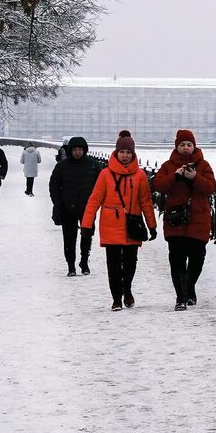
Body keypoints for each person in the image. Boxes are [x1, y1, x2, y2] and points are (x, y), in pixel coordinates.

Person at [82, 130, 157, 311]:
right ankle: (116, 298)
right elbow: (95, 199)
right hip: (111, 224)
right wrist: (86, 223)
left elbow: (146, 201)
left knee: (131, 263)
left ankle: (127, 289)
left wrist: (152, 225)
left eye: (128, 152)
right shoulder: (105, 174)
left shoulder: (139, 176)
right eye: (122, 152)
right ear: (116, 153)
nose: (125, 155)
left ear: (133, 154)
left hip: (132, 224)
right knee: (113, 264)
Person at [153, 128, 216, 310]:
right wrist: (175, 176)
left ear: (194, 146)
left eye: (189, 144)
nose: (186, 148)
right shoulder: (168, 165)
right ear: (176, 146)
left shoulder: (203, 165)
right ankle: (180, 297)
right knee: (177, 260)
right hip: (176, 221)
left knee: (197, 260)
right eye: (182, 145)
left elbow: (211, 187)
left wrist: (195, 178)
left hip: (198, 221)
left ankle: (189, 287)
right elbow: (158, 184)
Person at [48, 135, 103, 276]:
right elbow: (54, 186)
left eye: (80, 149)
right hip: (68, 208)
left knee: (87, 236)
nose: (77, 152)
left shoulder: (93, 165)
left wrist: (96, 203)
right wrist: (58, 203)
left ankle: (84, 262)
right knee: (69, 238)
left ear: (84, 150)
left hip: (88, 208)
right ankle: (71, 266)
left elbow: (101, 186)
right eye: (75, 149)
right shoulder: (62, 166)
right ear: (70, 150)